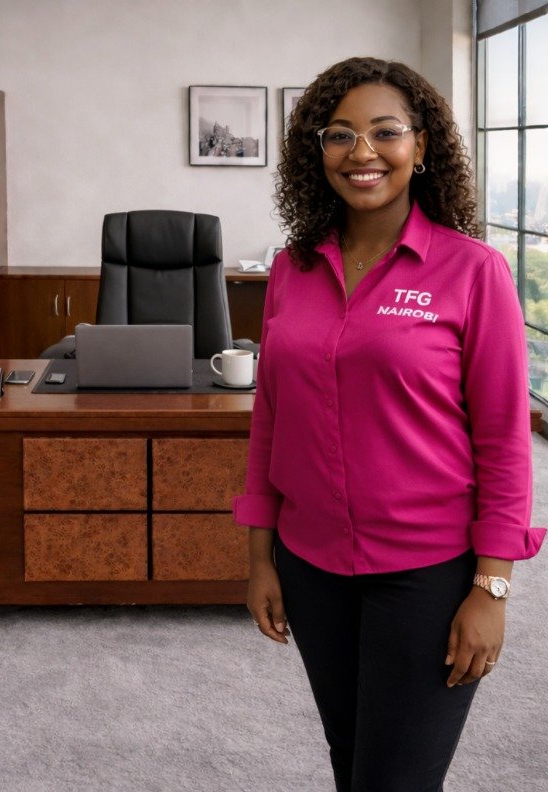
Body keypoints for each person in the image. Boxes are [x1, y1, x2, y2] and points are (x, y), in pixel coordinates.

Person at [233, 57, 545, 792]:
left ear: (423, 145)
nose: (362, 152)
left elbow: (505, 441)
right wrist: (259, 559)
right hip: (312, 569)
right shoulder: (293, 268)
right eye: (339, 134)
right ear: (317, 152)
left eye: (385, 132)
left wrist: (491, 590)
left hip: (428, 576)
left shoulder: (474, 272)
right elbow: (271, 422)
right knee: (354, 766)